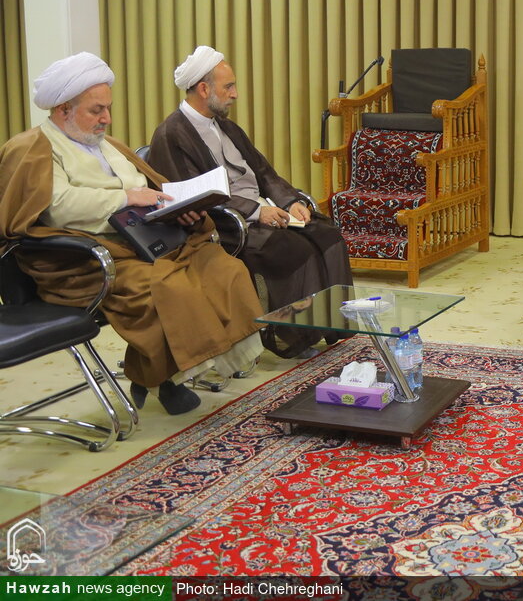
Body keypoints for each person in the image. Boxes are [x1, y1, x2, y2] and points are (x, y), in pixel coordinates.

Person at [0, 52, 263, 414]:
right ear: (63, 110)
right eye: (97, 110)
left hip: (145, 241)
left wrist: (178, 209)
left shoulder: (106, 144)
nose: (106, 119)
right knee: (167, 287)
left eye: (107, 108)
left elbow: (150, 189)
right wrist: (126, 198)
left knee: (223, 268)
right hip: (81, 259)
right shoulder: (32, 148)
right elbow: (59, 206)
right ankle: (163, 378)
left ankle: (159, 373)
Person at [147, 46, 353, 358]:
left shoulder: (226, 126)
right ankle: (297, 338)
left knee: (328, 235)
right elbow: (195, 197)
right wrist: (257, 211)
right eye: (228, 87)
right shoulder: (171, 134)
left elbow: (264, 172)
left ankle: (333, 327)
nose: (235, 94)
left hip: (261, 211)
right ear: (203, 89)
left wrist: (290, 202)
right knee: (294, 250)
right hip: (226, 224)